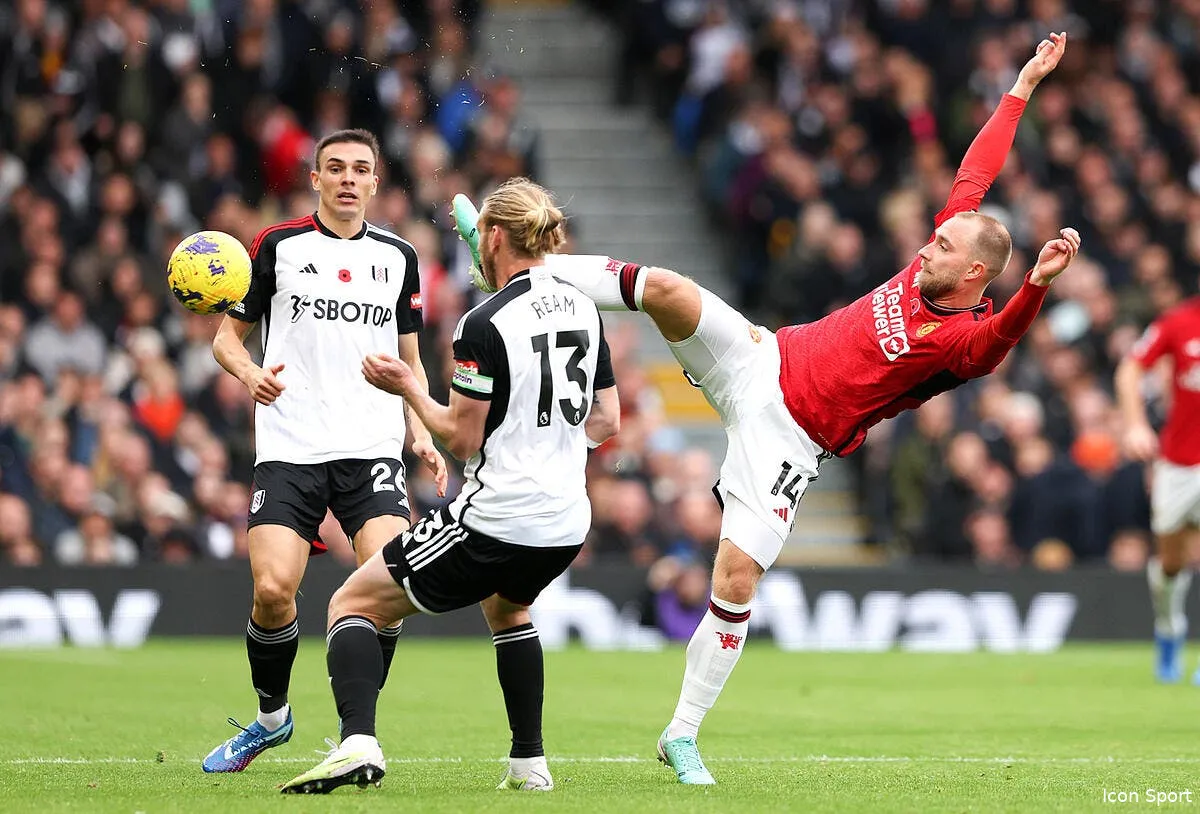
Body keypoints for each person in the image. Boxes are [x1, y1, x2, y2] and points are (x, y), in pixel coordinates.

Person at [456, 33, 1076, 785]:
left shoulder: (961, 342)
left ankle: (680, 734)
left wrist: (1037, 285)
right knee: (670, 288)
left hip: (790, 441)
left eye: (942, 246)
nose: (924, 249)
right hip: (762, 358)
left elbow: (1002, 342)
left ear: (974, 272)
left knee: (736, 578)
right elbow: (975, 170)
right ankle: (523, 275)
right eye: (935, 236)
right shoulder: (933, 263)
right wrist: (1022, 86)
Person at [278, 178, 621, 794]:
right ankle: (529, 764)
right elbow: (606, 420)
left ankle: (357, 744)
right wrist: (545, 442)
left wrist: (408, 387)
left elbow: (460, 440)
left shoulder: (482, 323)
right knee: (509, 608)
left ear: (491, 236)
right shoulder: (584, 308)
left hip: (499, 519)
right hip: (567, 521)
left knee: (350, 603)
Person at [201, 129, 449, 773]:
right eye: (334, 168)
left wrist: (420, 430)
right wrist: (247, 373)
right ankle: (271, 719)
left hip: (371, 448)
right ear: (315, 178)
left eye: (359, 169)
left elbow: (410, 360)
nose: (346, 178)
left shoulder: (398, 256)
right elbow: (227, 341)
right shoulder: (278, 246)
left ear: (375, 182)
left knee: (388, 587)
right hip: (289, 443)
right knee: (274, 590)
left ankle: (356, 733)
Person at [1116, 290, 1200, 683]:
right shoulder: (1177, 322)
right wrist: (1134, 423)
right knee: (1171, 561)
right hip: (1179, 462)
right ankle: (1169, 630)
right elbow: (1130, 368)